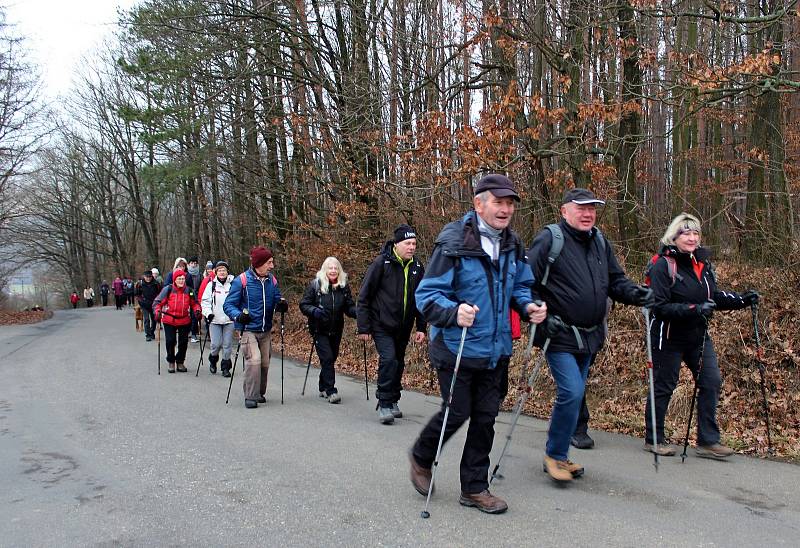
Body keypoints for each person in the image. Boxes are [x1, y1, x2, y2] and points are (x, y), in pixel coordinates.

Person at [410, 174, 546, 514]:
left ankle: (474, 488)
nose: (505, 210)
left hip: (496, 350)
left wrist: (528, 305)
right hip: (457, 347)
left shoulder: (513, 244)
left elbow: (520, 287)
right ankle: (422, 456)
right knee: (457, 412)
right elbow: (426, 295)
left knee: (485, 418)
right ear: (478, 204)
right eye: (498, 202)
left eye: (509, 204)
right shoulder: (454, 242)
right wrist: (454, 312)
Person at [527, 188, 653, 483]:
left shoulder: (599, 241)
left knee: (576, 393)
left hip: (591, 335)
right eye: (581, 208)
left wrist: (637, 294)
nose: (587, 214)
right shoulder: (550, 239)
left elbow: (615, 281)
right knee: (571, 391)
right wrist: (539, 316)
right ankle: (554, 456)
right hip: (558, 334)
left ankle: (559, 454)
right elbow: (525, 281)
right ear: (564, 211)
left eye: (592, 209)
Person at [644, 213, 759, 459]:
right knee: (664, 386)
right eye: (686, 233)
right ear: (674, 236)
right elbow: (659, 306)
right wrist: (694, 309)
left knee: (711, 381)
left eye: (696, 233)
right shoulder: (662, 265)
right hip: (668, 337)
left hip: (698, 336)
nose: (692, 238)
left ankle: (707, 441)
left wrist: (741, 299)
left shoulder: (702, 264)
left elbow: (712, 296)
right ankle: (654, 438)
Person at [357, 224, 427, 424]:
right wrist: (364, 327)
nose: (411, 247)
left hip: (404, 326)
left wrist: (421, 327)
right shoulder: (382, 263)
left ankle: (394, 399)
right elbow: (364, 296)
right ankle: (384, 402)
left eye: (414, 243)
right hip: (382, 324)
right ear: (396, 244)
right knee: (388, 360)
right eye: (407, 243)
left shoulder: (417, 267)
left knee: (398, 363)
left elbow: (420, 299)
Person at [223, 246, 287, 408]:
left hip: (265, 329)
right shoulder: (242, 281)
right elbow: (228, 305)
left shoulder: (272, 281)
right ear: (259, 263)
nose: (272, 266)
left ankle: (259, 392)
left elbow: (276, 298)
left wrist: (281, 305)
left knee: (265, 362)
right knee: (254, 360)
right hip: (248, 329)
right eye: (269, 262)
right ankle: (250, 396)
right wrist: (238, 316)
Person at [299, 257, 357, 403]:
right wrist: (315, 312)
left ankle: (322, 386)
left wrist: (358, 312)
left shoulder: (343, 287)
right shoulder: (315, 286)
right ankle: (331, 391)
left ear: (339, 270)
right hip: (319, 329)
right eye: (330, 268)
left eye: (336, 268)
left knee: (331, 359)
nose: (333, 271)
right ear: (325, 270)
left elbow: (348, 307)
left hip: (336, 329)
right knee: (328, 358)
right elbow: (304, 304)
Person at [153, 269, 201, 373]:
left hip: (184, 320)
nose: (181, 280)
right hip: (169, 319)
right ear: (174, 280)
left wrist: (197, 310)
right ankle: (171, 361)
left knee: (183, 343)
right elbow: (157, 302)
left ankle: (180, 361)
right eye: (179, 279)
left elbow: (195, 303)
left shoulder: (189, 291)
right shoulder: (168, 289)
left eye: (183, 279)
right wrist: (157, 311)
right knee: (170, 341)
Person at [201, 260, 235, 376]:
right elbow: (205, 302)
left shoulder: (233, 285)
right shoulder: (211, 285)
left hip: (229, 320)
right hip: (214, 320)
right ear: (215, 272)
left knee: (227, 345)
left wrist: (238, 314)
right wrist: (208, 313)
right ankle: (213, 361)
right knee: (215, 345)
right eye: (219, 270)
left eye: (224, 270)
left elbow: (237, 300)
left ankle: (225, 368)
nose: (222, 272)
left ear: (227, 272)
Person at [136, 270, 161, 341]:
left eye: (150, 277)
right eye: (147, 277)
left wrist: (157, 301)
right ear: (144, 277)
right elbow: (137, 294)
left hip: (154, 304)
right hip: (144, 305)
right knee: (146, 319)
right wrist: (141, 301)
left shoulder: (156, 283)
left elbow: (160, 293)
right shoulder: (140, 284)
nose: (148, 278)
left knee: (154, 320)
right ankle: (148, 335)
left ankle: (152, 332)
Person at [185, 257, 203, 343]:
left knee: (195, 315)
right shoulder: (185, 274)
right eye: (192, 263)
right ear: (189, 264)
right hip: (186, 296)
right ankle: (186, 331)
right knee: (186, 315)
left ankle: (193, 333)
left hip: (196, 297)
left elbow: (202, 286)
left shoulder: (199, 274)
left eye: (195, 263)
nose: (194, 265)